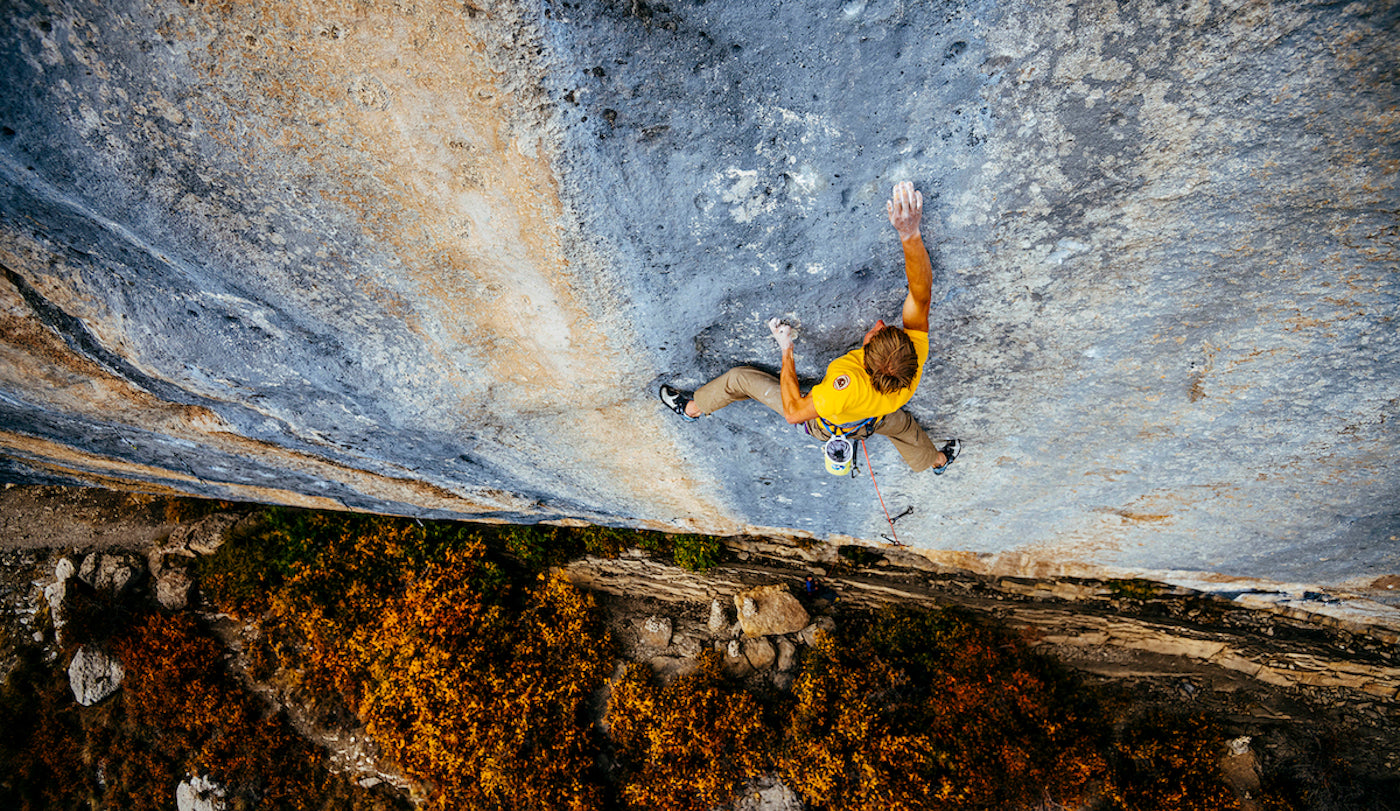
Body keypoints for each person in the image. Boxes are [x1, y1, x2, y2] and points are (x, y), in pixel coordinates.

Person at [660, 181, 959, 474]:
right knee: (905, 428)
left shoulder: (844, 386)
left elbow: (794, 412)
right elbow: (921, 293)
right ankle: (938, 463)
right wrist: (910, 235)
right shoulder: (913, 360)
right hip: (875, 419)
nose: (879, 323)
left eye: (876, 334)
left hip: (829, 424)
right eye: (888, 329)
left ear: (866, 362)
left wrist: (786, 349)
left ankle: (691, 410)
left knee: (738, 379)